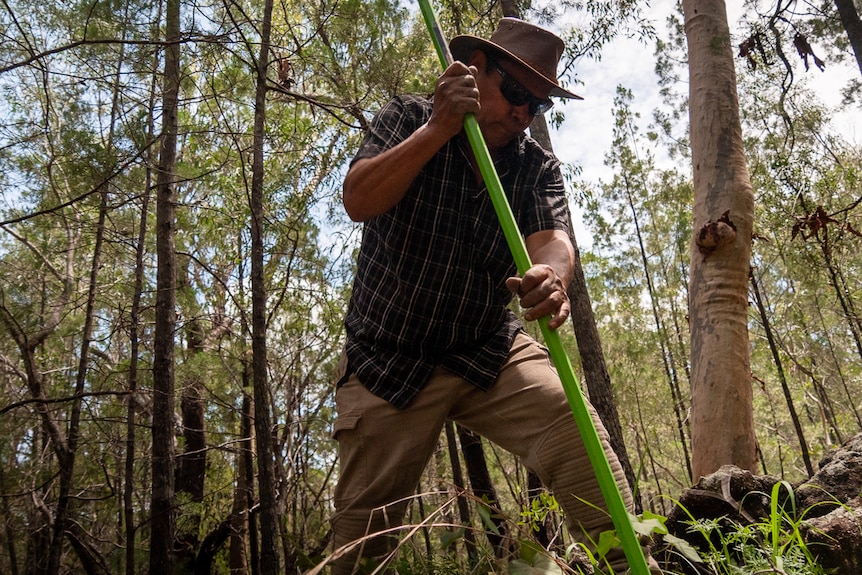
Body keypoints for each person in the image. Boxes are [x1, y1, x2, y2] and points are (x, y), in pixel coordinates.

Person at [331, 17, 656, 574]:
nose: (524, 114)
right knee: (361, 548)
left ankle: (629, 567)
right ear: (474, 70)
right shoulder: (408, 117)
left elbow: (553, 240)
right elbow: (359, 199)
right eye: (515, 94)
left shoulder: (535, 167)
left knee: (578, 435)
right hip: (388, 359)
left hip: (485, 347)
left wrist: (553, 276)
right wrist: (437, 130)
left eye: (539, 105)